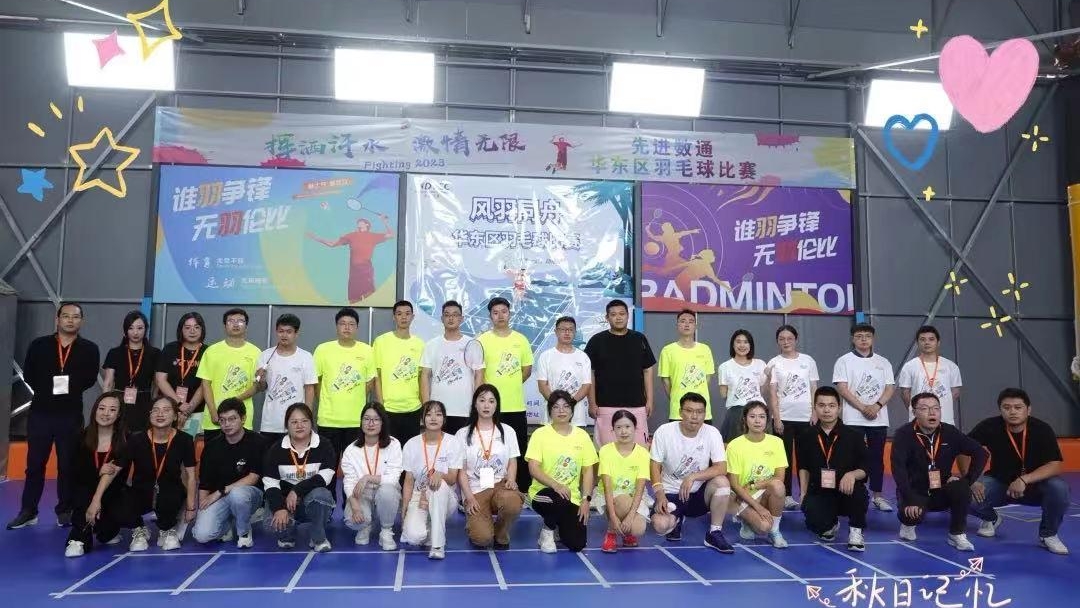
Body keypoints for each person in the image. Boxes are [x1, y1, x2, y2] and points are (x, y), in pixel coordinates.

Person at [8, 302, 100, 530]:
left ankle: (65, 510)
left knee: (67, 465)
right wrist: (49, 388)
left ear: (81, 321)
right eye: (66, 316)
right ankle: (28, 510)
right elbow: (29, 374)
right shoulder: (39, 345)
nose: (70, 320)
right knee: (34, 465)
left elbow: (90, 379)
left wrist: (69, 387)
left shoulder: (89, 348)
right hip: (41, 413)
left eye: (75, 317)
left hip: (70, 414)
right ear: (57, 319)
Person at [968, 387, 1070, 555]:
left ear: (1028, 410)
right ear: (1000, 410)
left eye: (1018, 407)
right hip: (1000, 483)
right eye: (1007, 407)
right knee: (964, 493)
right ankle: (991, 518)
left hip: (1036, 485)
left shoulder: (1042, 429)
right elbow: (965, 449)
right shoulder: (989, 426)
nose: (1012, 412)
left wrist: (1024, 480)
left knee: (1060, 489)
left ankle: (1048, 535)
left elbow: (1055, 464)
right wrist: (971, 478)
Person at [891, 392, 985, 551]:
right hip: (916, 491)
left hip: (941, 489)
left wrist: (968, 481)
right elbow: (898, 470)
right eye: (925, 409)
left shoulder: (950, 432)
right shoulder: (904, 434)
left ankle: (957, 534)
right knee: (911, 515)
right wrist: (909, 498)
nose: (932, 413)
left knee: (961, 488)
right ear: (914, 412)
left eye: (936, 408)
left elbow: (980, 453)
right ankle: (907, 525)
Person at [651, 392, 734, 553]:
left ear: (705, 414)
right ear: (680, 412)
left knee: (722, 482)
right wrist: (659, 494)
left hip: (699, 494)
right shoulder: (664, 431)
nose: (694, 416)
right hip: (671, 492)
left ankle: (714, 532)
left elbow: (721, 467)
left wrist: (693, 477)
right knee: (660, 526)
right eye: (689, 411)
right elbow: (655, 465)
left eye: (699, 412)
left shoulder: (712, 433)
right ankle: (676, 519)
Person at [313, 307, 377, 504]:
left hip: (356, 421)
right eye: (343, 324)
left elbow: (370, 381)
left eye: (351, 324)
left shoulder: (367, 350)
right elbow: (316, 381)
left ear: (357, 327)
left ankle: (352, 504)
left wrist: (353, 396)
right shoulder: (323, 349)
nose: (347, 327)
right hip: (328, 419)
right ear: (336, 326)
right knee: (328, 467)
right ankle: (328, 504)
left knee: (354, 467)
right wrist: (328, 399)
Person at [526, 390, 599, 553]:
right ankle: (547, 531)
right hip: (542, 493)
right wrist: (556, 485)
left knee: (577, 544)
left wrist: (586, 500)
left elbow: (588, 471)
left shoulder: (582, 436)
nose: (561, 410)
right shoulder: (540, 434)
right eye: (556, 407)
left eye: (566, 406)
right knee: (559, 499)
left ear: (572, 411)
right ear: (550, 411)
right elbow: (533, 468)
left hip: (571, 497)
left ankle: (558, 525)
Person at [832, 323, 895, 512]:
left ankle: (877, 496)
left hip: (878, 418)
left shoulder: (884, 362)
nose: (863, 339)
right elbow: (842, 388)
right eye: (859, 336)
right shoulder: (843, 361)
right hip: (853, 418)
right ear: (853, 339)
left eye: (867, 336)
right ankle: (850, 493)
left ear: (873, 339)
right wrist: (863, 408)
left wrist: (876, 406)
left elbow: (889, 388)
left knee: (876, 458)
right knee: (851, 457)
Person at [797, 386, 869, 552]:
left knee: (859, 493)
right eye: (821, 405)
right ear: (815, 407)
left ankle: (856, 531)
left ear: (839, 408)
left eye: (831, 405)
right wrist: (803, 493)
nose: (826, 410)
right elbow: (803, 467)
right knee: (814, 518)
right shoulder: (806, 436)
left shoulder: (854, 435)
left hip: (846, 489)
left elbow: (866, 467)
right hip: (820, 490)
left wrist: (852, 475)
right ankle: (830, 524)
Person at [64, 391, 135, 557]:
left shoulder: (126, 439)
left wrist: (97, 500)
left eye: (112, 410)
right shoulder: (80, 438)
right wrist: (97, 472)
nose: (106, 413)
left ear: (119, 415)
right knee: (83, 496)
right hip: (85, 491)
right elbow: (74, 472)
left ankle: (110, 529)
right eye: (101, 408)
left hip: (113, 492)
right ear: (95, 410)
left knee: (107, 531)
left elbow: (116, 473)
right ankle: (78, 539)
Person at [123, 396, 197, 551]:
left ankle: (167, 529)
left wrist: (191, 507)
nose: (160, 414)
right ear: (150, 415)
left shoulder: (184, 439)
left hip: (171, 490)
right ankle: (139, 529)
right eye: (155, 410)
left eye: (166, 410)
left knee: (172, 494)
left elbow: (191, 476)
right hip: (141, 490)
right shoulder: (136, 439)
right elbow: (121, 469)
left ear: (175, 416)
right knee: (121, 496)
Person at [191, 398, 265, 548]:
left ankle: (244, 532)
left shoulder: (258, 442)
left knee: (237, 494)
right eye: (222, 420)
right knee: (202, 535)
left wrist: (220, 491)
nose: (227, 424)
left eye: (232, 419)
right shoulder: (212, 447)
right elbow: (204, 482)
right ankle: (229, 525)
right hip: (221, 498)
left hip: (249, 495)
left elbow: (253, 477)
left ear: (243, 419)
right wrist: (203, 509)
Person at [263, 403, 337, 552]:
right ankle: (288, 532)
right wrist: (279, 508)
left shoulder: (324, 445)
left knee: (322, 495)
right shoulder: (276, 449)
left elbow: (325, 477)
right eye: (294, 422)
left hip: (311, 501)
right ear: (287, 425)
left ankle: (318, 537)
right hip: (286, 502)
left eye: (304, 421)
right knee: (270, 524)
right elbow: (270, 483)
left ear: (311, 423)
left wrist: (296, 491)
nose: (299, 426)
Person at [456, 384, 523, 549]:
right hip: (475, 490)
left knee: (512, 502)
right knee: (482, 539)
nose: (486, 405)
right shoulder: (462, 434)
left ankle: (501, 531)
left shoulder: (508, 431)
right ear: (475, 404)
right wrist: (469, 498)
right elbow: (461, 471)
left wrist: (511, 480)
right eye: (482, 400)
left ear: (496, 405)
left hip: (500, 485)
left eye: (491, 401)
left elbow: (512, 460)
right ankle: (476, 525)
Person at [478, 297, 534, 489]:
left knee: (518, 449)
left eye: (504, 311)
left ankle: (521, 490)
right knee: (488, 448)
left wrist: (511, 384)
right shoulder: (482, 341)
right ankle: (487, 489)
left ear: (509, 314)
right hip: (490, 408)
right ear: (490, 316)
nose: (500, 316)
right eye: (495, 312)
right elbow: (479, 373)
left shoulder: (520, 340)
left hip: (515, 405)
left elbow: (527, 370)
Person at [585, 299, 656, 446]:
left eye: (622, 314)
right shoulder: (596, 341)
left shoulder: (639, 339)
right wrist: (592, 403)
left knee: (639, 449)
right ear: (607, 317)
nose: (618, 317)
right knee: (606, 450)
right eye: (613, 314)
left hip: (637, 404)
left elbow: (647, 370)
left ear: (628, 316)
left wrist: (649, 400)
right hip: (605, 405)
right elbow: (589, 373)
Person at [400, 401, 463, 560]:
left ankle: (437, 545)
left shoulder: (453, 442)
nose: (433, 418)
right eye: (428, 414)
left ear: (444, 419)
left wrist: (440, 475)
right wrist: (405, 507)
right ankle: (430, 526)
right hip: (419, 496)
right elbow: (408, 480)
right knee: (414, 537)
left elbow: (452, 478)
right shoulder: (411, 444)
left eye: (438, 414)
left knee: (438, 486)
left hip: (445, 496)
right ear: (422, 420)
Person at [765, 325, 819, 509]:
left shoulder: (808, 360)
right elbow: (772, 393)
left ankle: (805, 493)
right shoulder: (774, 362)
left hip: (806, 417)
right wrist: (777, 418)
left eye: (789, 338)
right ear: (777, 342)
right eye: (781, 339)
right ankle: (786, 495)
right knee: (784, 459)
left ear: (796, 339)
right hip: (784, 417)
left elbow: (814, 388)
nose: (786, 342)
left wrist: (815, 412)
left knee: (806, 457)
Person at [726, 401, 789, 548]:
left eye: (761, 416)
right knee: (762, 527)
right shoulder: (734, 445)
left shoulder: (777, 442)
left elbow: (779, 478)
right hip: (741, 496)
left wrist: (755, 484)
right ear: (745, 419)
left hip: (762, 491)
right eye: (752, 416)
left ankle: (775, 531)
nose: (757, 421)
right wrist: (758, 507)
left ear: (767, 420)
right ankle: (746, 520)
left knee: (778, 486)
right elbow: (734, 484)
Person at [341, 402, 402, 551]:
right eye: (366, 419)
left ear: (382, 423)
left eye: (376, 419)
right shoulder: (351, 450)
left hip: (385, 491)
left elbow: (393, 478)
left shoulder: (393, 444)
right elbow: (349, 482)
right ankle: (365, 526)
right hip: (362, 494)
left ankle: (386, 530)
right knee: (353, 520)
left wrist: (367, 477)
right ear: (361, 422)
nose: (371, 423)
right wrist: (355, 507)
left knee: (387, 489)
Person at [420, 300, 485, 435]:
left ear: (461, 318)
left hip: (465, 410)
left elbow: (479, 374)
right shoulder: (431, 345)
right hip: (437, 411)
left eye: (455, 315)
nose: (451, 318)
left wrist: (476, 404)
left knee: (464, 446)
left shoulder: (472, 344)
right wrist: (426, 406)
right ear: (442, 318)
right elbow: (425, 375)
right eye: (447, 315)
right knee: (439, 446)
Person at [197, 308, 261, 443]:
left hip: (243, 418)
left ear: (246, 326)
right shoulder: (211, 351)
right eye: (231, 321)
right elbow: (205, 384)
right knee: (214, 454)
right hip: (214, 417)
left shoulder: (256, 352)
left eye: (240, 321)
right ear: (225, 326)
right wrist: (214, 412)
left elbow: (257, 386)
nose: (236, 324)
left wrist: (232, 404)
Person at [256, 314, 317, 446]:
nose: (284, 335)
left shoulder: (306, 357)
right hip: (270, 423)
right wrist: (260, 379)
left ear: (296, 333)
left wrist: (307, 418)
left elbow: (309, 389)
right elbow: (261, 388)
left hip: (296, 423)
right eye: (281, 331)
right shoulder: (266, 355)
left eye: (289, 332)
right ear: (276, 332)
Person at [307, 213, 394, 303]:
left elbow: (391, 235)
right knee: (353, 300)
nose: (359, 223)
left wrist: (384, 221)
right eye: (358, 222)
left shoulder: (373, 236)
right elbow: (332, 244)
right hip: (353, 273)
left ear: (367, 224)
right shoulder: (351, 235)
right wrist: (316, 238)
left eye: (361, 221)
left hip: (366, 270)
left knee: (369, 296)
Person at [598, 409, 651, 553]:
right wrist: (613, 517)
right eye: (619, 427)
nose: (623, 431)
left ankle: (627, 532)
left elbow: (640, 489)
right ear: (613, 430)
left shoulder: (643, 453)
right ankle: (611, 532)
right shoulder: (605, 451)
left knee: (638, 528)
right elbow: (607, 488)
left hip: (634, 496)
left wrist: (630, 517)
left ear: (635, 428)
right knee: (622, 500)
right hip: (611, 496)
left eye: (627, 426)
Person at [373, 300, 426, 444]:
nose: (403, 317)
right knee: (388, 450)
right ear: (393, 317)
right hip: (388, 409)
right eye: (399, 314)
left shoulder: (420, 344)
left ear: (412, 317)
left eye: (407, 314)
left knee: (410, 451)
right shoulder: (381, 341)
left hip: (413, 408)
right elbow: (377, 377)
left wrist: (423, 406)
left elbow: (421, 378)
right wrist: (381, 406)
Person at [102, 310, 160, 432]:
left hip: (144, 402)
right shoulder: (115, 353)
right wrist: (105, 404)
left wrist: (153, 404)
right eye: (131, 328)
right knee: (118, 435)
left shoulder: (154, 353)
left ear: (145, 330)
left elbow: (157, 384)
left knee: (141, 436)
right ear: (125, 331)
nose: (135, 332)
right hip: (119, 401)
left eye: (140, 328)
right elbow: (108, 382)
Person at [897, 325, 962, 426]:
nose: (927, 342)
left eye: (931, 339)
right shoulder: (909, 366)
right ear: (917, 343)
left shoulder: (951, 366)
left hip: (945, 419)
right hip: (918, 421)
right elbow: (905, 393)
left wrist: (942, 403)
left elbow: (955, 392)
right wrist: (916, 409)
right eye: (922, 339)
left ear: (938, 342)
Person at [658, 309, 716, 422]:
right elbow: (665, 381)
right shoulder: (668, 350)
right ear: (677, 325)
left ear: (695, 326)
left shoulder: (705, 349)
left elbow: (707, 378)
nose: (687, 324)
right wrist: (676, 398)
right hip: (677, 411)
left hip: (702, 411)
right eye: (683, 321)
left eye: (691, 321)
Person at [155, 312, 206, 437]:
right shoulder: (170, 349)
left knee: (192, 446)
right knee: (166, 444)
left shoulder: (207, 352)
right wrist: (179, 404)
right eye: (187, 327)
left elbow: (205, 385)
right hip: (169, 409)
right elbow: (160, 380)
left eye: (196, 327)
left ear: (202, 330)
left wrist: (187, 410)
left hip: (197, 412)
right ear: (181, 330)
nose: (192, 331)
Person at [535, 316, 593, 426]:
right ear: (556, 332)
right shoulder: (545, 356)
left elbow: (586, 385)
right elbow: (542, 385)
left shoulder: (583, 357)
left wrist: (570, 404)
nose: (567, 333)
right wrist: (557, 405)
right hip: (551, 418)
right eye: (563, 329)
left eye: (570, 330)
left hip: (576, 417)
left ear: (575, 332)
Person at [718, 329, 767, 442]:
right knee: (734, 446)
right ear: (733, 344)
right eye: (738, 342)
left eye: (746, 342)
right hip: (736, 413)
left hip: (758, 411)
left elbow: (762, 390)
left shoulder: (760, 364)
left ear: (751, 345)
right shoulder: (725, 367)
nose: (742, 345)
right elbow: (724, 394)